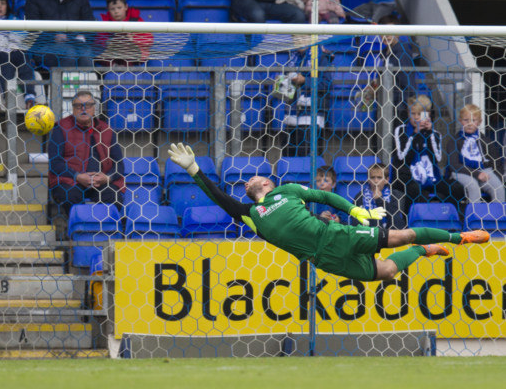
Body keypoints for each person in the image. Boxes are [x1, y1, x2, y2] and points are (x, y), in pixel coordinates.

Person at [167, 142, 490, 282]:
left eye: (256, 176)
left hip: (334, 235)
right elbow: (221, 197)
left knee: (398, 235)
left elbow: (324, 195)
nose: (251, 178)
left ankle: (460, 236)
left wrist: (354, 210)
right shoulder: (251, 213)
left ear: (266, 181)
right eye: (247, 180)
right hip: (323, 259)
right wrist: (195, 169)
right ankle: (424, 250)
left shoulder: (288, 191)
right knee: (387, 271)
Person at [48, 90, 124, 217]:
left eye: (88, 105)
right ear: (73, 109)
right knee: (69, 196)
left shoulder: (106, 130)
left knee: (113, 197)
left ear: (94, 108)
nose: (83, 109)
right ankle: (78, 230)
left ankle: (103, 231)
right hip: (71, 181)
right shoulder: (60, 128)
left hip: (100, 182)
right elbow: (55, 163)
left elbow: (119, 164)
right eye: (78, 106)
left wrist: (107, 178)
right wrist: (77, 176)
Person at [391, 95, 465, 213]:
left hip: (432, 178)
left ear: (428, 115)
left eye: (419, 114)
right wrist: (415, 134)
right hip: (406, 177)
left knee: (456, 188)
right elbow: (402, 157)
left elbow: (437, 158)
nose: (415, 118)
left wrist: (429, 133)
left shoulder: (434, 134)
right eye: (413, 114)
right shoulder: (401, 130)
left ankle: (450, 219)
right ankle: (410, 222)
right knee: (414, 189)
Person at [274, 46, 332, 156]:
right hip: (291, 115)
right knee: (288, 157)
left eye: (302, 36)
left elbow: (327, 84)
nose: (298, 40)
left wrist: (305, 80)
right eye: (295, 36)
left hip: (311, 116)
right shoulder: (293, 57)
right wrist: (281, 82)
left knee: (306, 158)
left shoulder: (321, 56)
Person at [446, 104, 505, 203]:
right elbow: (454, 165)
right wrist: (477, 174)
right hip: (462, 171)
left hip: (484, 171)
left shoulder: (485, 141)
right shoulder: (454, 141)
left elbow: (496, 163)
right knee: (473, 186)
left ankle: (497, 216)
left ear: (480, 122)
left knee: (498, 189)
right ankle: (475, 217)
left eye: (474, 120)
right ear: (460, 121)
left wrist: (497, 179)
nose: (470, 123)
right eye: (466, 120)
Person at [24, 0, 94, 68]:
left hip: (76, 43)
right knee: (68, 52)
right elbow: (33, 29)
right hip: (44, 47)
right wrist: (53, 37)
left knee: (86, 52)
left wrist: (78, 36)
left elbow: (90, 25)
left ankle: (86, 79)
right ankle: (66, 80)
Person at [95, 0, 154, 66]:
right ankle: (113, 67)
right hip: (112, 55)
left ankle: (126, 69)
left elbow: (149, 40)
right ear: (108, 9)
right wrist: (108, 42)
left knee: (127, 48)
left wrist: (133, 39)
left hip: (131, 55)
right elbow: (98, 42)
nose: (116, 11)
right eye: (112, 9)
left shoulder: (135, 20)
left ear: (126, 7)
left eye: (119, 8)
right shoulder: (106, 23)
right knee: (99, 54)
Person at [354, 163, 407, 229]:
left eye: (379, 178)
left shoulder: (395, 195)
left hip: (390, 232)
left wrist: (379, 199)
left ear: (386, 180)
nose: (376, 181)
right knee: (372, 216)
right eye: (372, 177)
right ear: (368, 180)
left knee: (395, 217)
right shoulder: (360, 196)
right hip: (368, 232)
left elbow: (396, 217)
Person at [230, 0, 306, 25]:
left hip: (274, 1)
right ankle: (254, 52)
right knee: (258, 15)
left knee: (297, 14)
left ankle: (291, 51)